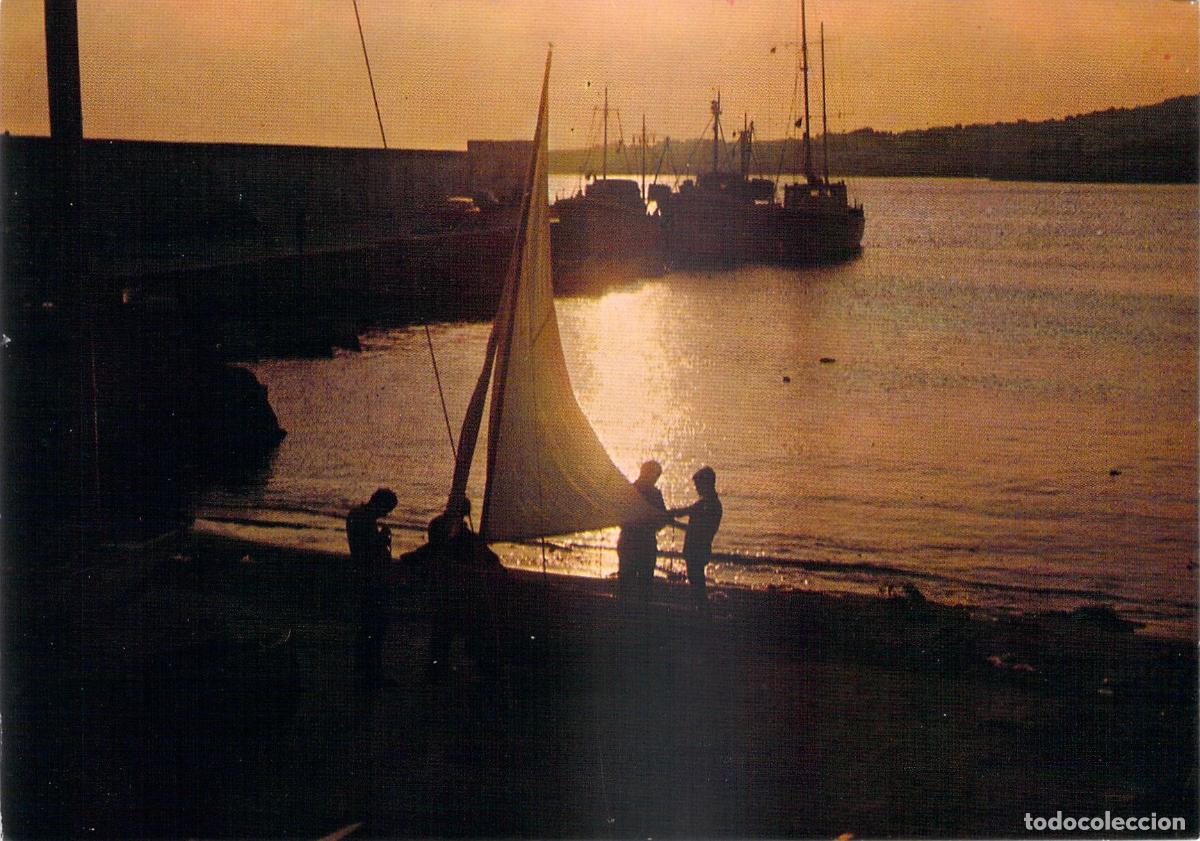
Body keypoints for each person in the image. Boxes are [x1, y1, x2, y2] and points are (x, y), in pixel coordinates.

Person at [346, 487, 398, 685]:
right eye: (387, 509)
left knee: (368, 626)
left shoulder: (357, 515)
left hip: (365, 578)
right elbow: (366, 549)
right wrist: (382, 538)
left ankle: (364, 668)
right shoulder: (364, 519)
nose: (387, 514)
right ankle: (372, 671)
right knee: (374, 626)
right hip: (371, 580)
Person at [668, 467, 723, 609]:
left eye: (698, 485)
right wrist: (674, 519)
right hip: (700, 549)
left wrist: (671, 516)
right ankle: (700, 610)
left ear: (706, 484)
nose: (697, 489)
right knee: (696, 582)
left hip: (697, 550)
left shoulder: (708, 504)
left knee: (697, 582)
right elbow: (689, 521)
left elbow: (685, 513)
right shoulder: (709, 503)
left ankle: (702, 611)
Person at [616, 460, 667, 597]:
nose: (656, 479)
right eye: (656, 476)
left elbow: (619, 517)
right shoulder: (654, 494)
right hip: (641, 544)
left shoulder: (628, 490)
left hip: (632, 542)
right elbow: (662, 520)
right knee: (641, 585)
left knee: (629, 584)